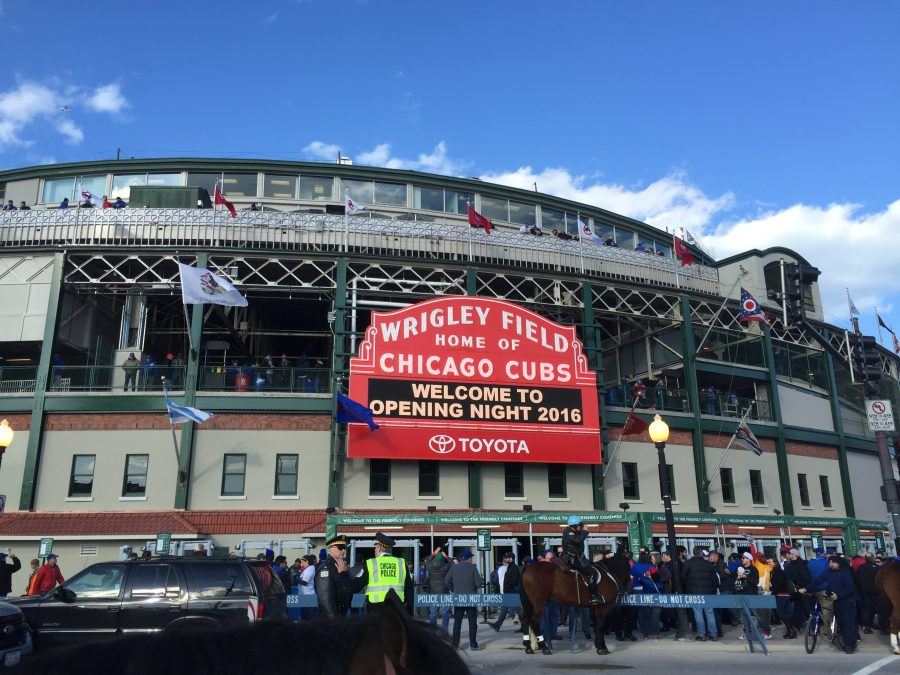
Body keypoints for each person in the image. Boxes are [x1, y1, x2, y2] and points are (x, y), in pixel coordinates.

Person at [802, 555, 858, 653]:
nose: (831, 564)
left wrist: (839, 595)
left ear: (838, 563)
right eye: (830, 563)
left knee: (848, 624)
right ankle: (843, 640)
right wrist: (806, 588)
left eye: (833, 563)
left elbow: (850, 587)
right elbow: (818, 581)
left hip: (847, 601)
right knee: (840, 623)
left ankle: (850, 645)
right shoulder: (828, 572)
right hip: (836, 601)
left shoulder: (845, 572)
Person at [357, 532, 413, 614]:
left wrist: (343, 574)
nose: (375, 550)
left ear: (379, 548)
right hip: (397, 609)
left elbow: (356, 586)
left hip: (375, 610)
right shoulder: (401, 563)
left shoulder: (371, 563)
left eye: (375, 548)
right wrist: (409, 612)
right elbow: (409, 589)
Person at [444, 550, 483, 651]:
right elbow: (479, 584)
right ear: (469, 559)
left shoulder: (454, 568)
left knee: (457, 623)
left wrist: (453, 589)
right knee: (472, 624)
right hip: (471, 599)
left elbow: (446, 580)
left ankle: (455, 645)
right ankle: (473, 645)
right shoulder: (473, 568)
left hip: (458, 599)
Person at [561, 515, 601, 605]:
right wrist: (585, 532)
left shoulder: (574, 532)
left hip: (576, 558)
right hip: (571, 559)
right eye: (580, 525)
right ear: (574, 526)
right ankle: (593, 597)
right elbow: (577, 540)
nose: (581, 527)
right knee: (591, 573)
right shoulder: (569, 532)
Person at [681, 546, 718, 641]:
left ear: (693, 553)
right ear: (701, 553)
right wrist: (713, 590)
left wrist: (688, 588)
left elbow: (683, 577)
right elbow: (715, 579)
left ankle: (701, 634)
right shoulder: (708, 564)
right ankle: (713, 634)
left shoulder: (688, 563)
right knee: (710, 613)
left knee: (698, 613)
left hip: (694, 592)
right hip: (708, 593)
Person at [314, 534, 355, 619]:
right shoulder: (326, 569)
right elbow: (325, 599)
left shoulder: (341, 566)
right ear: (330, 549)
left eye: (344, 547)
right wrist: (334, 621)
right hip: (330, 619)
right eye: (340, 547)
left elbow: (348, 588)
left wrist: (343, 574)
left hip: (341, 614)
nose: (343, 550)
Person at [805, 547, 833, 640]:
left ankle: (812, 628)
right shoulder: (827, 563)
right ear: (823, 553)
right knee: (826, 609)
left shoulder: (810, 563)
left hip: (813, 589)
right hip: (825, 589)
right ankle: (827, 629)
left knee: (815, 609)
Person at [489, 551, 520, 631]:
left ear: (511, 559)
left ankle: (526, 626)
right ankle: (497, 625)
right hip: (508, 593)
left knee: (519, 611)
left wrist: (508, 586)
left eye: (506, 558)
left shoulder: (514, 568)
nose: (505, 559)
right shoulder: (509, 567)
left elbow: (515, 580)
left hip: (511, 593)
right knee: (504, 611)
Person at [424, 547, 452, 633]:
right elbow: (452, 563)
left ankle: (433, 631)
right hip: (444, 593)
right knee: (445, 613)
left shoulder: (430, 566)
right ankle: (444, 632)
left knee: (433, 614)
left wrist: (434, 552)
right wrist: (446, 556)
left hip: (433, 593)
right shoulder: (446, 567)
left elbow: (428, 560)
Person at [768, 556, 796, 638]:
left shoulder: (776, 571)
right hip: (785, 594)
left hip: (782, 594)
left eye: (770, 562)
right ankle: (791, 631)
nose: (769, 564)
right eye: (768, 562)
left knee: (781, 614)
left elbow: (779, 584)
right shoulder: (777, 571)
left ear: (775, 563)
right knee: (786, 614)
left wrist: (771, 588)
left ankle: (790, 631)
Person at [856, 552, 879, 634]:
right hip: (874, 592)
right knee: (872, 609)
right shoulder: (876, 567)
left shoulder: (861, 567)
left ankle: (868, 625)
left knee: (866, 609)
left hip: (863, 592)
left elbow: (856, 579)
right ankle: (868, 625)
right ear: (873, 558)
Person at [297, 555, 318, 620]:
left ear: (307, 562)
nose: (302, 564)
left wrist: (296, 577)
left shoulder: (310, 569)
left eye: (303, 562)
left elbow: (304, 582)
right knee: (305, 616)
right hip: (305, 595)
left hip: (308, 596)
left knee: (308, 617)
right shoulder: (308, 569)